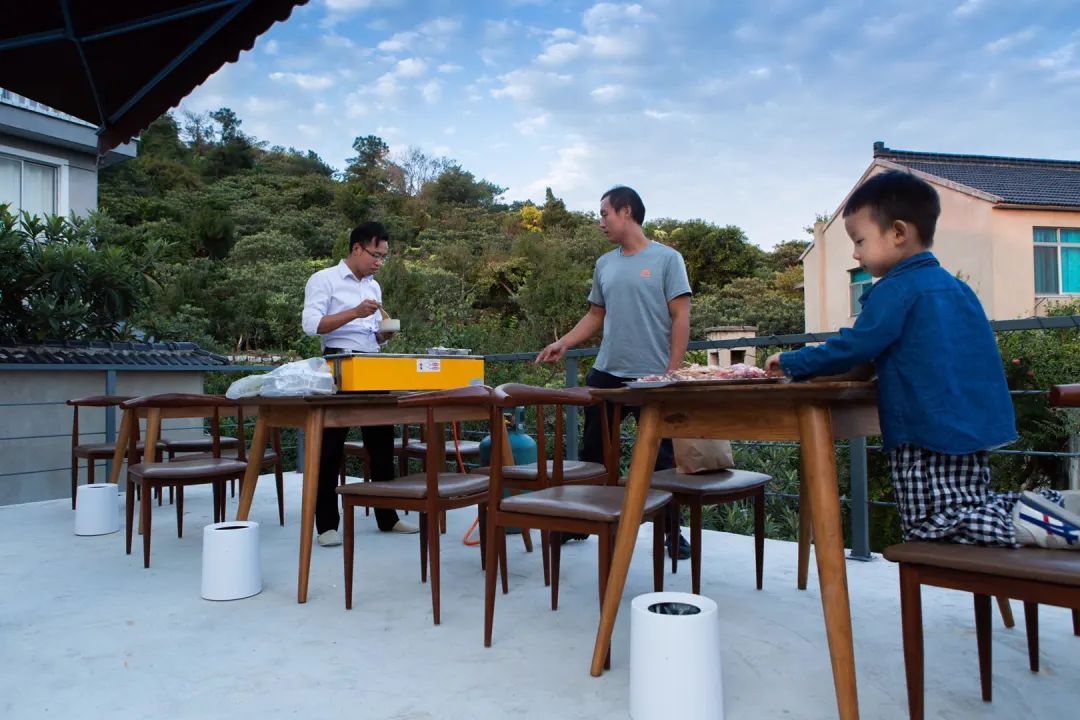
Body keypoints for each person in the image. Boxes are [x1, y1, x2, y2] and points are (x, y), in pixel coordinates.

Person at [765, 170, 1079, 550]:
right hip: (970, 425)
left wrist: (793, 362)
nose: (855, 253)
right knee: (966, 505)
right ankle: (1050, 506)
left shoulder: (895, 290)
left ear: (898, 232)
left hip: (926, 431)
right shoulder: (956, 287)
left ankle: (1044, 520)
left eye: (859, 240)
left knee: (930, 523)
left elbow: (857, 346)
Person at [537, 185, 693, 558]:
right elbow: (595, 315)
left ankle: (672, 531)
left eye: (604, 213)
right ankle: (584, 524)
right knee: (594, 457)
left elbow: (681, 317)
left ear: (626, 211)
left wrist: (672, 371)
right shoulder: (604, 263)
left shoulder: (668, 259)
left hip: (653, 376)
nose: (600, 221)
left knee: (661, 459)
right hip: (607, 373)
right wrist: (566, 343)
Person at [301, 221, 418, 547]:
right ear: (356, 248)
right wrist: (353, 312)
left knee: (382, 444)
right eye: (375, 254)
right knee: (330, 447)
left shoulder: (374, 287)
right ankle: (326, 525)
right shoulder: (324, 279)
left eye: (383, 257)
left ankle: (387, 516)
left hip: (371, 364)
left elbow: (373, 338)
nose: (379, 262)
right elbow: (311, 325)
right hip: (337, 364)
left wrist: (383, 334)